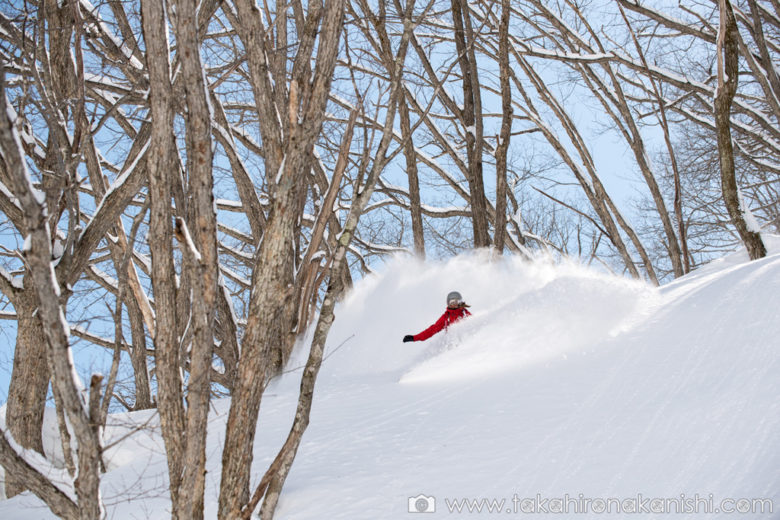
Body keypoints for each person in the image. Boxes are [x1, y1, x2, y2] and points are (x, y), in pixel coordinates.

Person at [403, 291, 471, 342]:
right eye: (451, 302)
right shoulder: (447, 316)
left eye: (456, 302)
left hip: (467, 340)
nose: (454, 304)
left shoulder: (465, 312)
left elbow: (473, 324)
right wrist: (415, 338)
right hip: (454, 342)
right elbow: (433, 329)